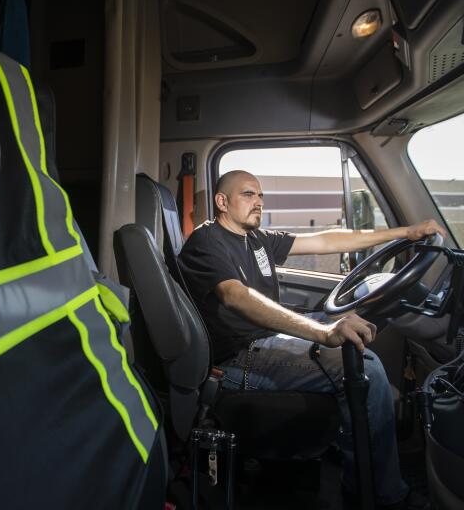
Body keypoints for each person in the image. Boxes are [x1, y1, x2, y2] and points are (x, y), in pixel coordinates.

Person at [177, 170, 444, 509]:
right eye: (248, 195)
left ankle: (362, 467)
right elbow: (236, 297)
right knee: (366, 370)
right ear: (222, 202)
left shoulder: (255, 238)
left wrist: (406, 233)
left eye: (261, 196)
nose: (258, 201)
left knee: (358, 332)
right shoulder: (207, 242)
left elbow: (327, 241)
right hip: (238, 357)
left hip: (264, 339)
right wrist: (322, 332)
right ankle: (383, 495)